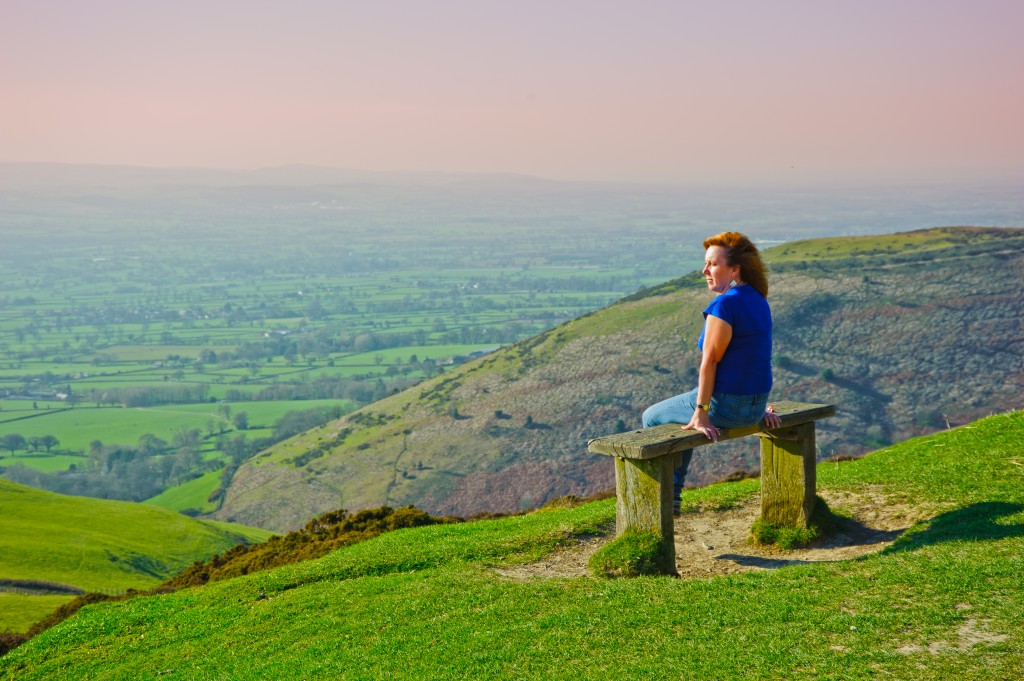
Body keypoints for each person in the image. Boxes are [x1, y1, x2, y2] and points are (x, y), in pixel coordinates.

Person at [642, 231, 781, 513]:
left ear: (735, 269)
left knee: (652, 417)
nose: (705, 270)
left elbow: (710, 362)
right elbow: (755, 356)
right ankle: (672, 495)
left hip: (726, 406)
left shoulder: (724, 304)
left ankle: (670, 497)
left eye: (713, 265)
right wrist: (757, 406)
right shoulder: (757, 299)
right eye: (706, 264)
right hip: (753, 407)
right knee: (682, 413)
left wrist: (701, 411)